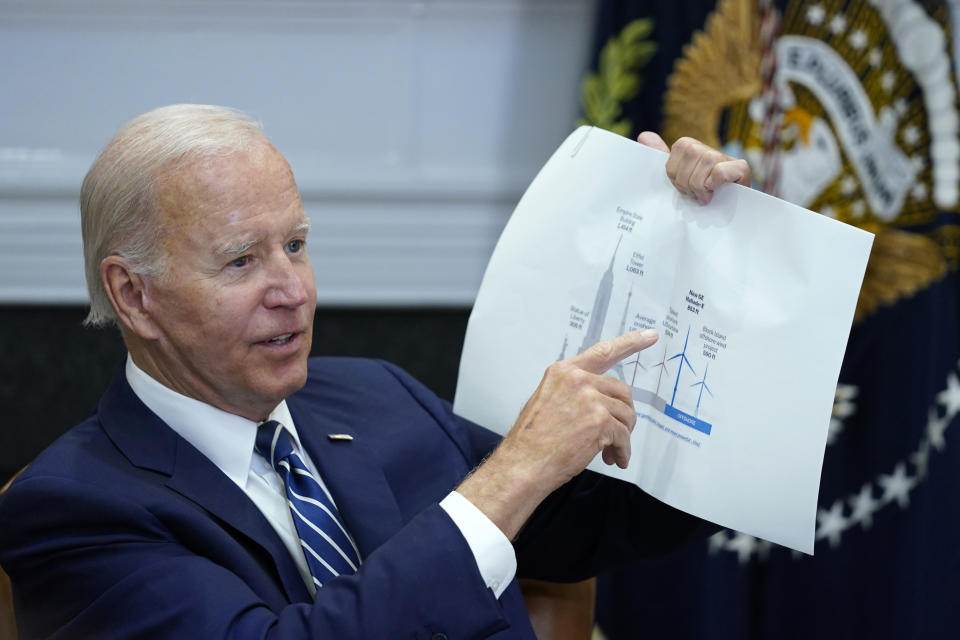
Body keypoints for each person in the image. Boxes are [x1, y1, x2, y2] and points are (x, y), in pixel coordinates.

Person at [0, 105, 749, 639]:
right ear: (135, 295)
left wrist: (712, 260)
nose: (293, 290)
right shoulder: (71, 510)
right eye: (240, 261)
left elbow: (594, 526)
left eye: (295, 244)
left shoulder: (375, 395)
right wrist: (513, 469)